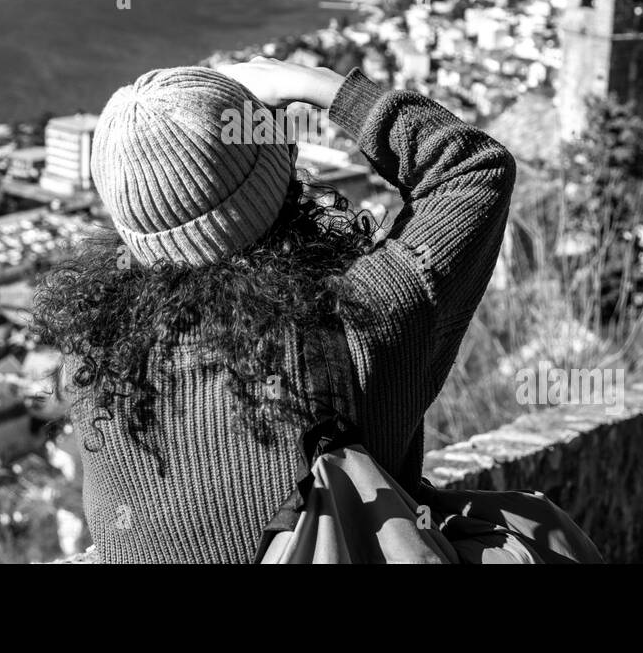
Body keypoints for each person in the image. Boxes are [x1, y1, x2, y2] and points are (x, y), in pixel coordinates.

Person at [33, 58, 516, 563]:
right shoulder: (367, 319)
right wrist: (316, 86)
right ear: (282, 167)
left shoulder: (97, 368)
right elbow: (474, 168)